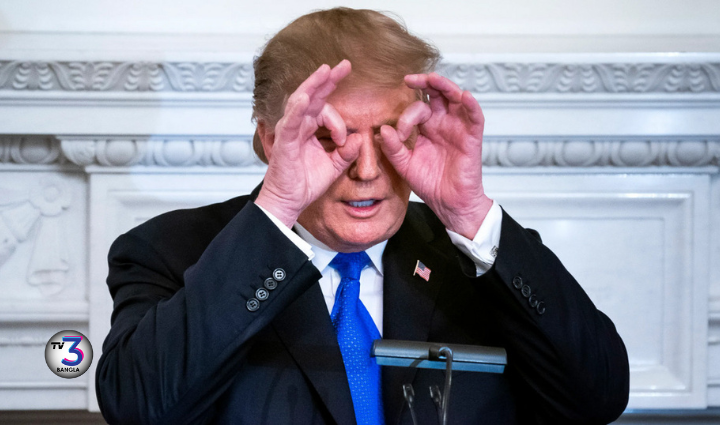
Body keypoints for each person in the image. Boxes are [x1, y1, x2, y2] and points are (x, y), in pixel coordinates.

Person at [96, 7, 630, 425]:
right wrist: (278, 208)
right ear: (271, 139)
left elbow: (597, 398)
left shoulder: (476, 253)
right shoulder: (169, 251)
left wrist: (467, 211)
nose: (369, 170)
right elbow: (140, 408)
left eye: (392, 134)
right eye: (332, 137)